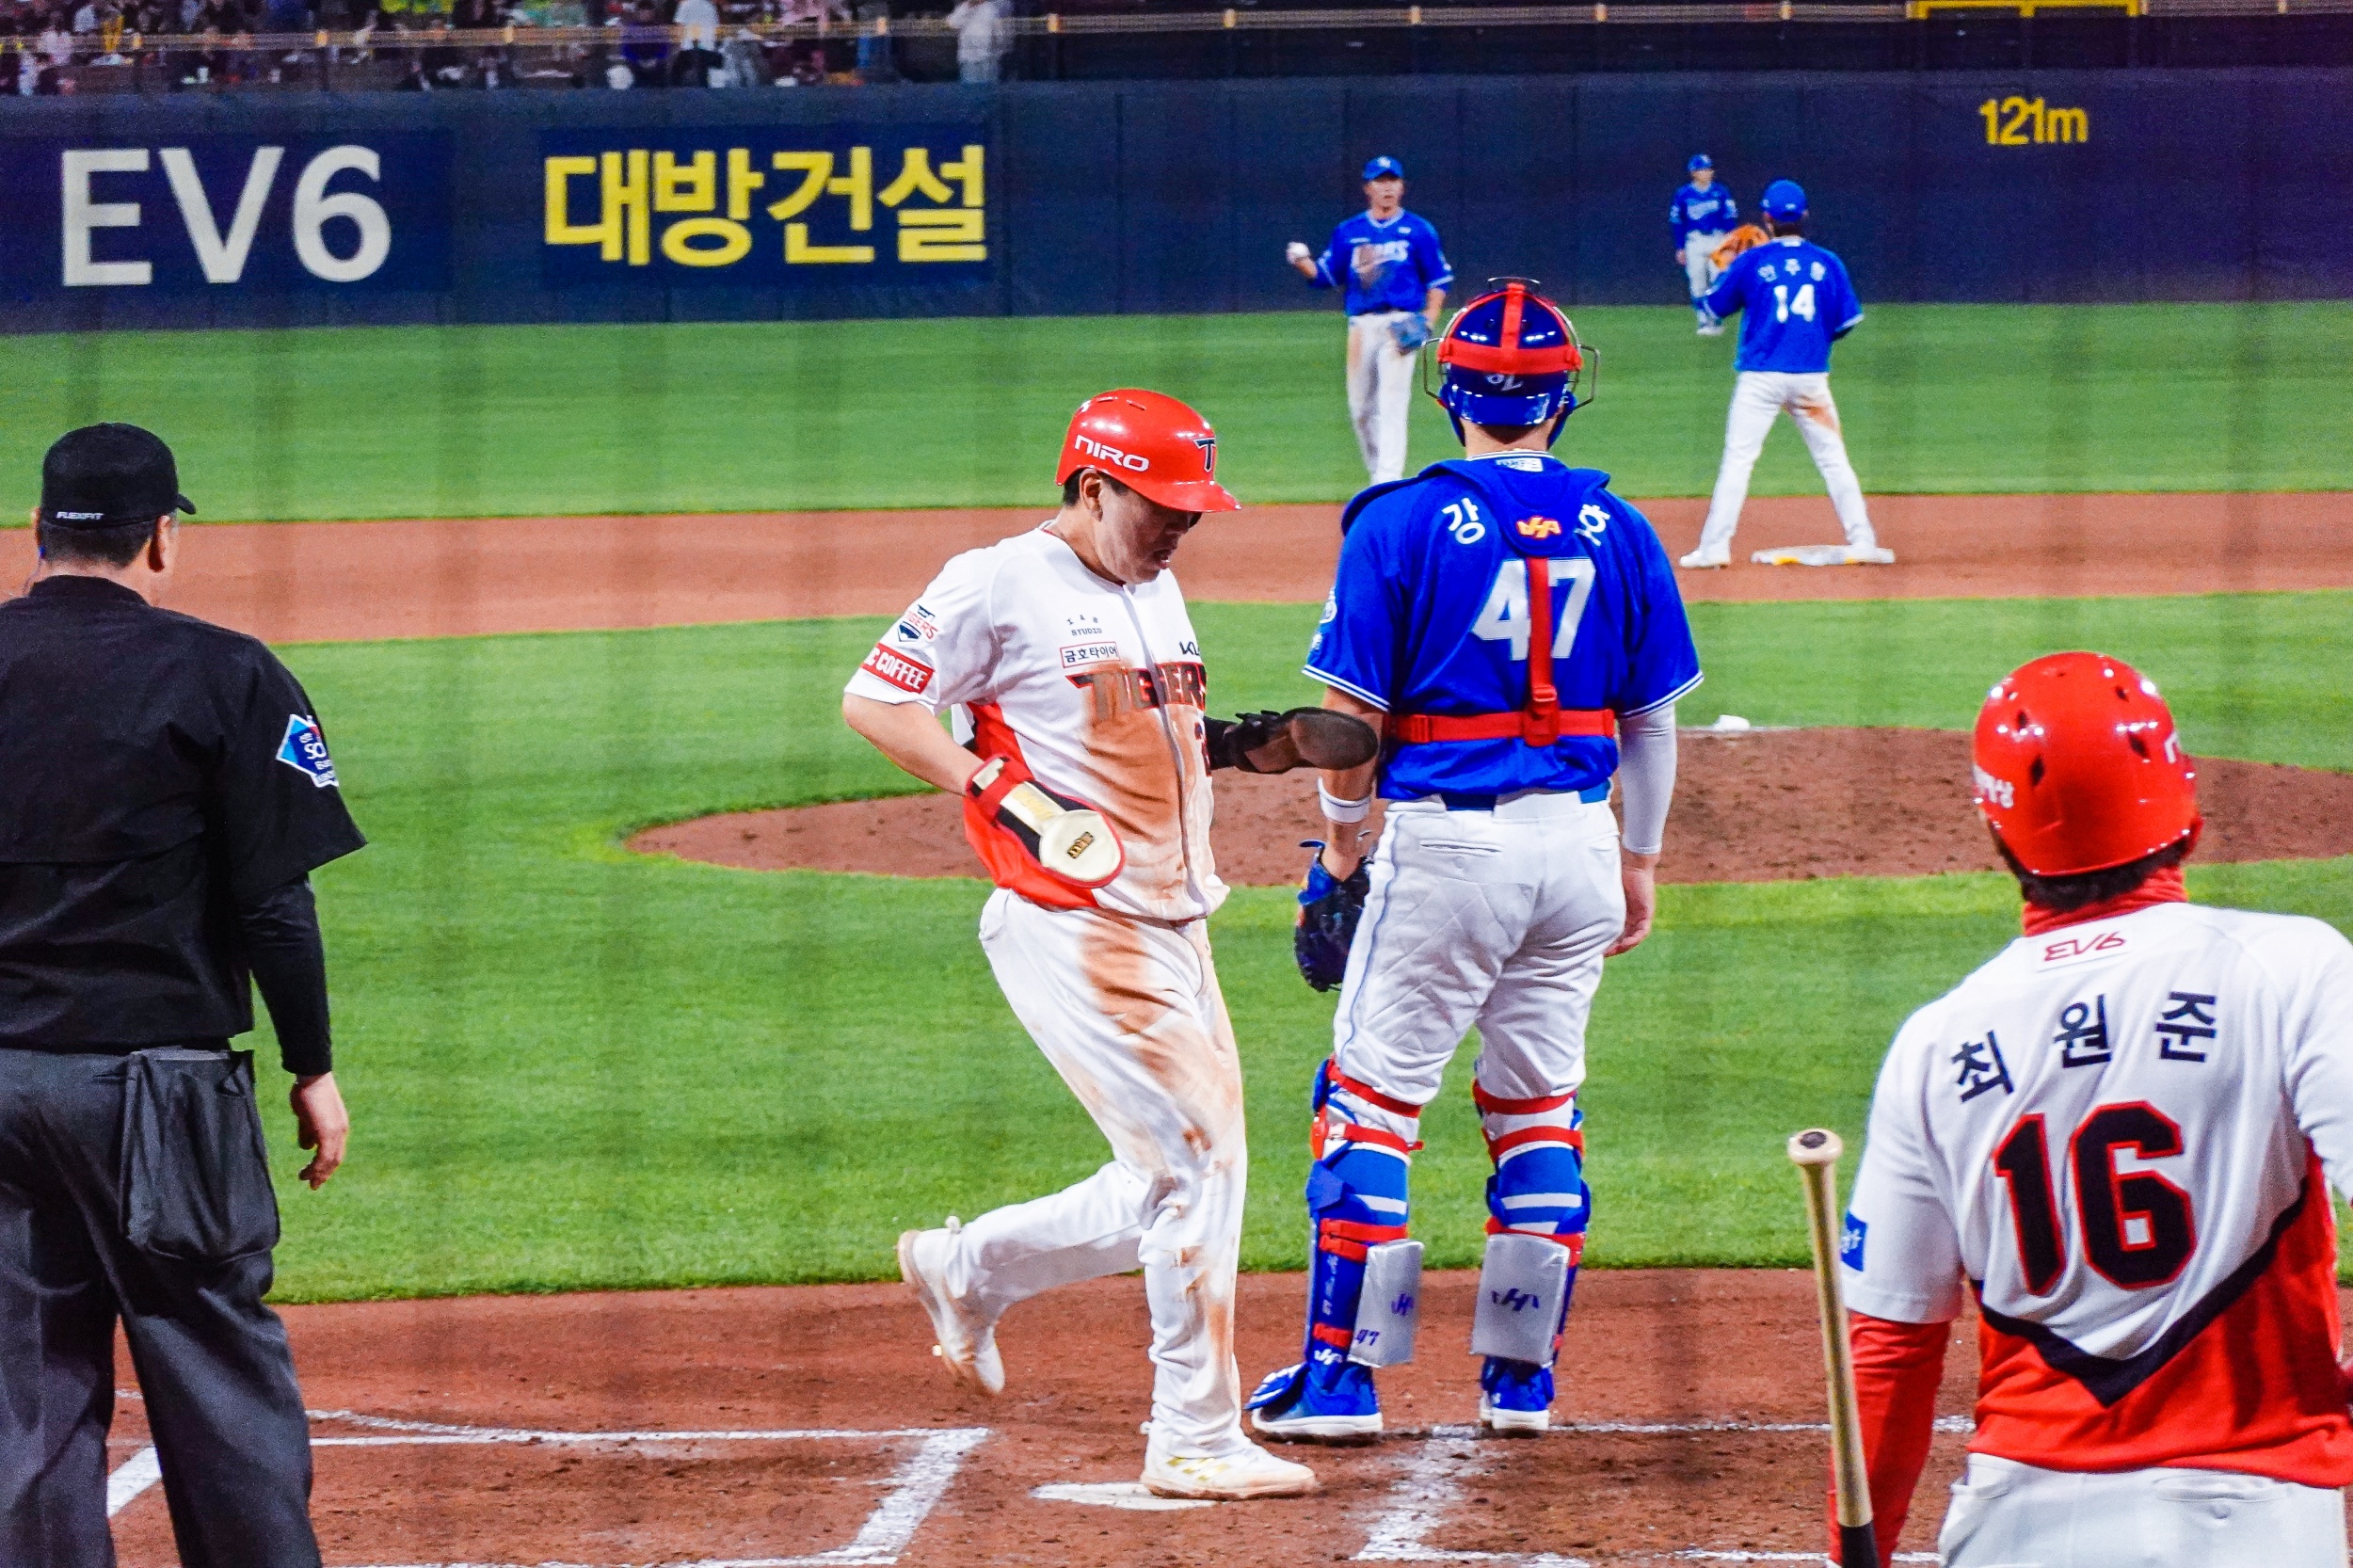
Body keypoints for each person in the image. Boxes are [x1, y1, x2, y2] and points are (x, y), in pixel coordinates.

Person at [847, 392, 1377, 1502]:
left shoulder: (1151, 584)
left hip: (1175, 918)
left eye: (1193, 507)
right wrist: (993, 785)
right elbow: (876, 702)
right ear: (1094, 486)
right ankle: (1193, 1433)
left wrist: (1244, 743)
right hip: (1073, 919)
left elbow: (1125, 725)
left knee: (1174, 1173)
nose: (1182, 524)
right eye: (1163, 503)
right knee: (1200, 1165)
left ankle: (966, 1266)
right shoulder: (997, 580)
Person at [1246, 280, 1702, 1443]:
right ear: (1564, 397)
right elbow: (1651, 722)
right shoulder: (1622, 528)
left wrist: (1341, 846)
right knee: (1537, 1105)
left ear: (1448, 393)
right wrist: (1639, 862)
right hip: (1579, 846)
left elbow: (1348, 719)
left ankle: (1342, 1379)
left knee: (1369, 1103)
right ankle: (1519, 1380)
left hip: (1448, 845)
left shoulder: (1397, 522)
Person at [1836, 649, 2353, 1567]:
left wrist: (1853, 1555)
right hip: (2253, 1517)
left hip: (2013, 1524)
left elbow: (1888, 1349)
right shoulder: (2293, 968)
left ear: (1997, 833)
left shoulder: (1936, 1043)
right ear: (2188, 813)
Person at [0, 424, 366, 1568]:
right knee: (217, 1376)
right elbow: (275, 902)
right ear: (161, 535)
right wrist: (312, 1066)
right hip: (160, 1090)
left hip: (2, 1082)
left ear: (37, 530)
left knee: (27, 1389)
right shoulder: (227, 672)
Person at [1680, 179, 1891, 571]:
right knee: (1833, 460)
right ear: (1805, 216)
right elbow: (1844, 323)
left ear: (1767, 218)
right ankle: (1863, 540)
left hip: (1760, 378)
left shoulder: (1752, 261)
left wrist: (1722, 270)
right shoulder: (1827, 262)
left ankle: (1715, 549)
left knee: (1738, 461)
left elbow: (1711, 308)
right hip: (1811, 378)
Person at [1285, 155, 1452, 487]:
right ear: (1368, 188)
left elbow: (1439, 280)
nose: (1387, 187)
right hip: (1361, 326)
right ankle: (1379, 473)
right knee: (1360, 408)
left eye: (1392, 180)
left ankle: (1386, 480)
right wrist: (1301, 261)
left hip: (1401, 325)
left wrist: (1428, 321)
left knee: (1392, 403)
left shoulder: (1419, 230)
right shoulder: (1349, 232)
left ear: (1401, 187)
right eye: (1380, 181)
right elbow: (1325, 276)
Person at [1670, 153, 1737, 336]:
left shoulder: (1720, 192)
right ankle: (1702, 319)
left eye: (1708, 169)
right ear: (1693, 172)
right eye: (1702, 169)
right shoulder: (1683, 194)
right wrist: (1680, 246)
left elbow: (1729, 219)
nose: (1707, 172)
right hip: (1695, 240)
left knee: (1718, 280)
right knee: (1697, 282)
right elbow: (1677, 221)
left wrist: (1730, 245)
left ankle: (1715, 318)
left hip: (1717, 239)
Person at [946, 0, 1005, 82]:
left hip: (987, 56)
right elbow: (952, 23)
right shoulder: (964, 7)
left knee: (988, 84)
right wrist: (968, 8)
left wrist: (997, 51)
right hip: (968, 56)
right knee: (969, 84)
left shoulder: (990, 8)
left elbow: (998, 32)